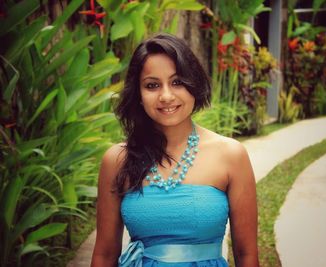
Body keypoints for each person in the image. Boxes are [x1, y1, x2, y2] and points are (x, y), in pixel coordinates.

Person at [91, 33, 259, 267]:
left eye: (177, 82)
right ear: (138, 94)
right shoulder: (117, 160)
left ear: (194, 85)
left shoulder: (230, 155)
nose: (166, 96)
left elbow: (246, 254)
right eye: (152, 85)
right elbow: (105, 254)